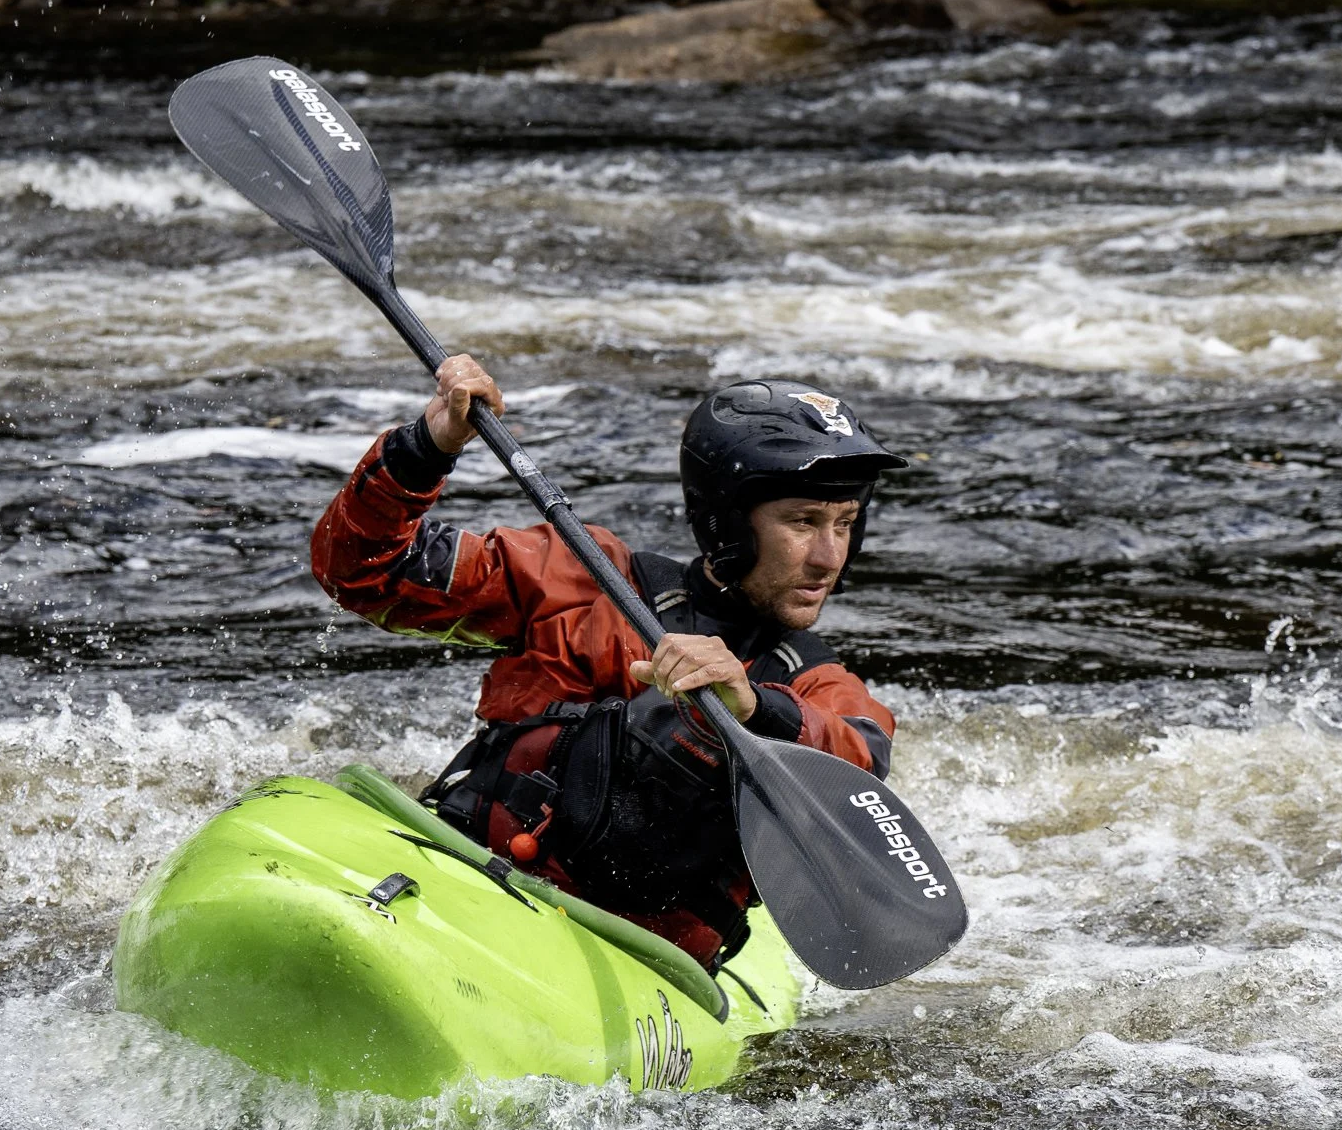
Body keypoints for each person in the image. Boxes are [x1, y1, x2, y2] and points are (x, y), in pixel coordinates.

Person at [311, 355, 905, 970]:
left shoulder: (815, 683)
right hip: (469, 875)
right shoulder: (583, 578)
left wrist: (755, 708)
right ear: (728, 522)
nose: (828, 557)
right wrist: (425, 447)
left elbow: (860, 765)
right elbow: (359, 570)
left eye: (845, 524)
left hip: (635, 962)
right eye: (803, 522)